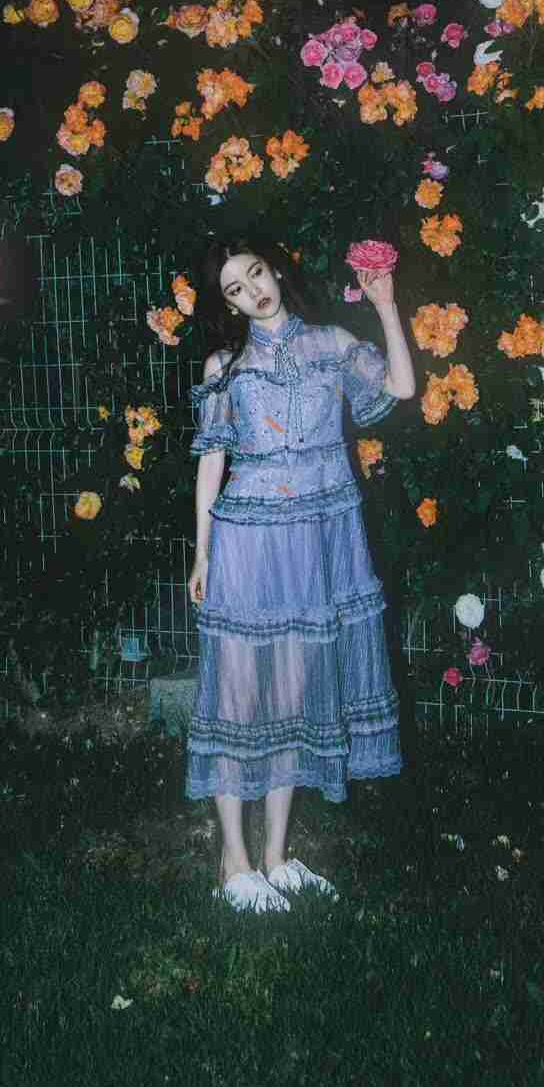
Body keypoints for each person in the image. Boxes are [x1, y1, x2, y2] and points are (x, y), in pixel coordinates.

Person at [185, 236, 416, 913]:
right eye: (234, 288)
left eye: (255, 273)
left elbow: (401, 388)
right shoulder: (225, 366)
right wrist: (202, 554)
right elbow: (211, 463)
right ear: (227, 305)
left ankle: (277, 857)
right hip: (247, 542)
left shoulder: (330, 344)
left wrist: (387, 307)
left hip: (316, 543)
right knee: (238, 697)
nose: (253, 291)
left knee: (292, 693)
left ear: (276, 271)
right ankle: (233, 862)